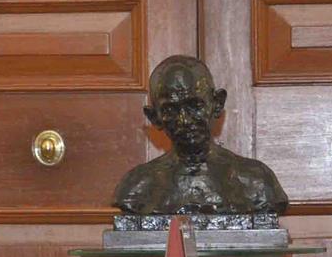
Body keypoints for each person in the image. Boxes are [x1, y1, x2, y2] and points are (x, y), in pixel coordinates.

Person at [112, 55, 288, 216]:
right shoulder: (136, 188)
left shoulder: (256, 182)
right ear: (155, 117)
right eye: (170, 110)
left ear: (217, 104)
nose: (184, 120)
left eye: (194, 105)